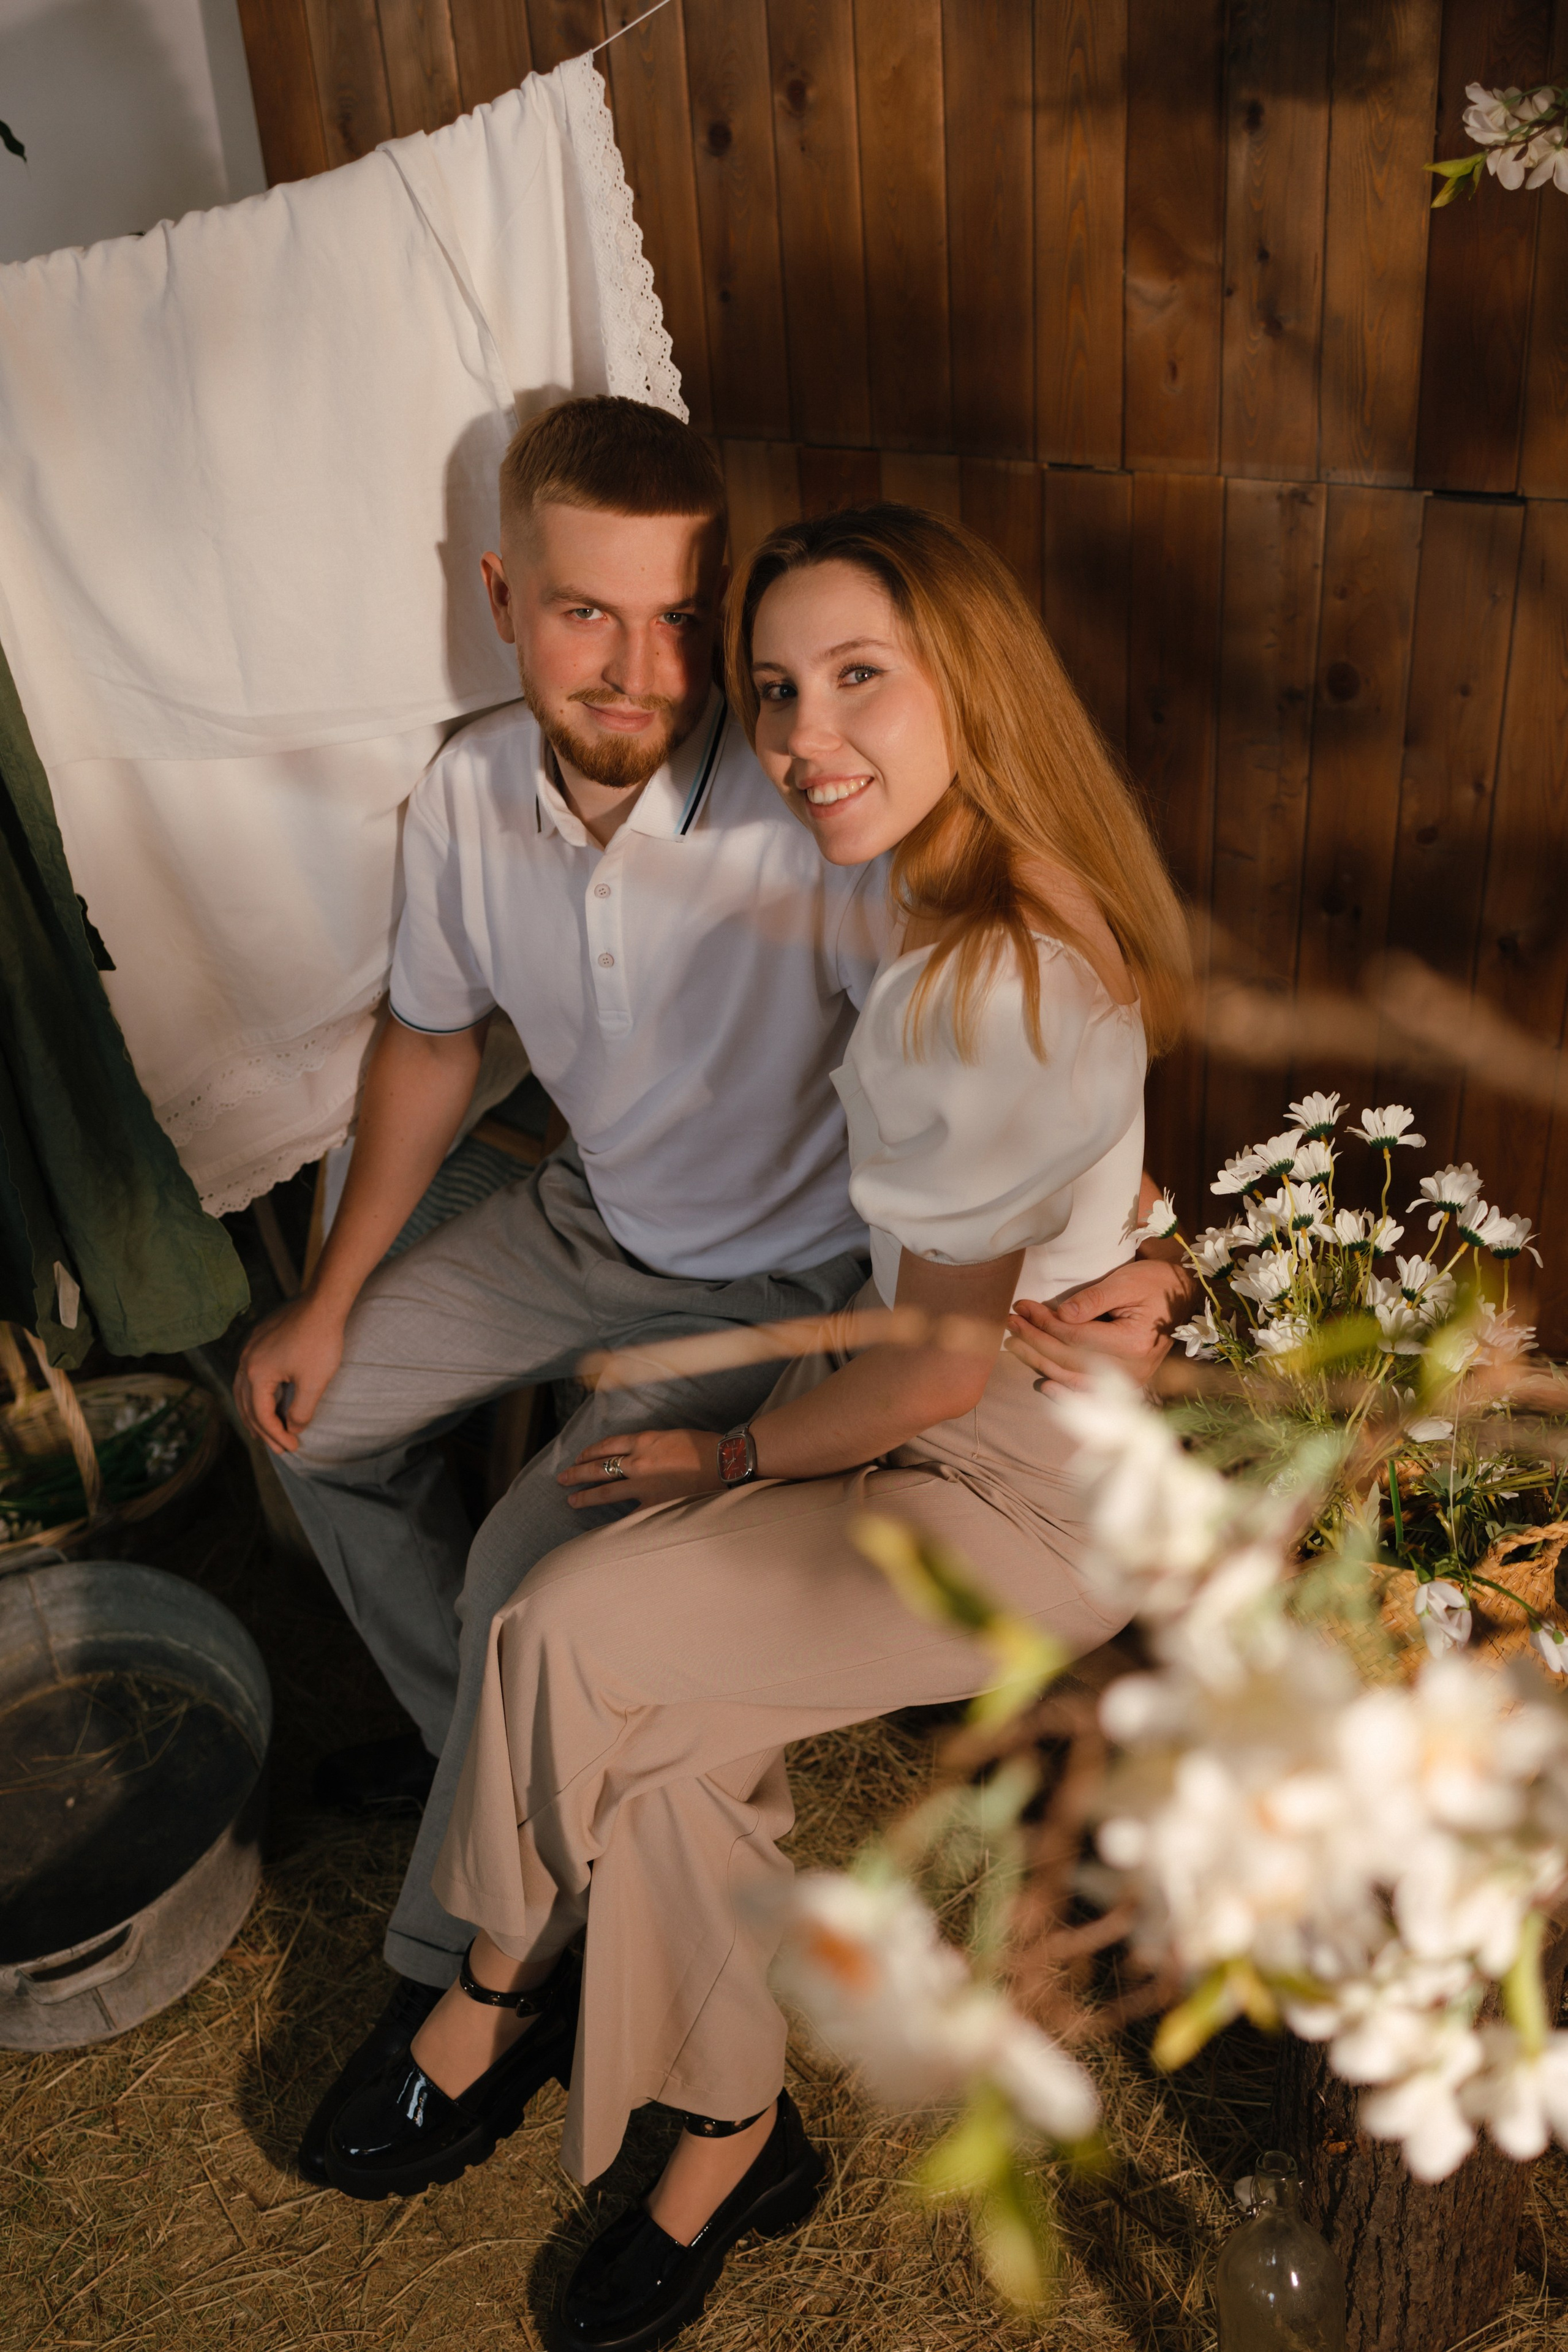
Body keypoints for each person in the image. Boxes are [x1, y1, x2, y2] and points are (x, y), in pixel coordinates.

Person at [233, 398, 1186, 2182]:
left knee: (543, 1562)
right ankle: (510, 1796)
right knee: (308, 1420)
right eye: (589, 612)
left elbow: (1036, 1045)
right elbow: (433, 1041)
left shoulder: (818, 817)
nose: (643, 664)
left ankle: (474, 1975)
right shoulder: (467, 796)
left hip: (789, 1291)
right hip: (593, 1222)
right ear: (507, 599)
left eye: (682, 618)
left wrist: (1145, 1235)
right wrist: (328, 1295)